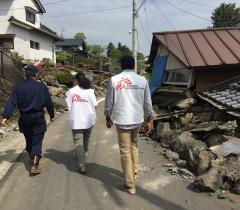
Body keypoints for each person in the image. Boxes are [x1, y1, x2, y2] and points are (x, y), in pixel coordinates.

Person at [104, 55, 153, 195]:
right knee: (134, 144)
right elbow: (147, 102)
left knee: (125, 150)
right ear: (133, 65)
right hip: (137, 119)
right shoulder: (142, 80)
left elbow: (109, 102)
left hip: (122, 119)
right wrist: (149, 118)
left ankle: (130, 184)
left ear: (121, 65)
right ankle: (135, 170)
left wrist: (108, 116)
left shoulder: (114, 80)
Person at [1, 64, 54, 175]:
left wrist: (6, 116)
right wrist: (52, 115)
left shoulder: (18, 87)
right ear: (36, 74)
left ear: (26, 74)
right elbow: (49, 103)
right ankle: (35, 163)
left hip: (24, 118)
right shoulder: (41, 87)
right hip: (38, 117)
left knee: (29, 139)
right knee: (37, 140)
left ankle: (32, 155)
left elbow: (11, 102)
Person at [66, 72, 97, 173]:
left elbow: (69, 106)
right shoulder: (90, 91)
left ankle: (81, 163)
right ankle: (85, 159)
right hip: (89, 120)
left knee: (78, 142)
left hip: (76, 120)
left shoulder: (71, 91)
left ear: (76, 80)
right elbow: (95, 105)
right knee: (86, 140)